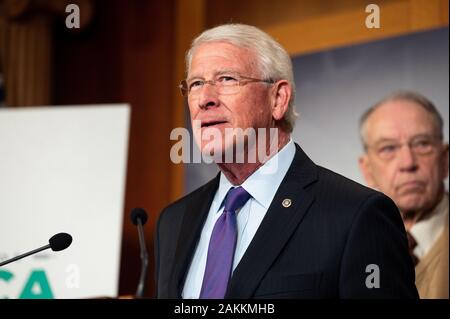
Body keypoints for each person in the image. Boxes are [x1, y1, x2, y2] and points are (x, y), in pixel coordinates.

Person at [154, 23, 418, 299]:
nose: (205, 99)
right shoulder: (173, 222)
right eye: (196, 84)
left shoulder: (356, 216)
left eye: (227, 79)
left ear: (278, 99)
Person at [358, 91, 449, 299]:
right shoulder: (349, 248)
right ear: (367, 170)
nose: (408, 163)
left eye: (422, 144)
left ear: (445, 160)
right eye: (388, 148)